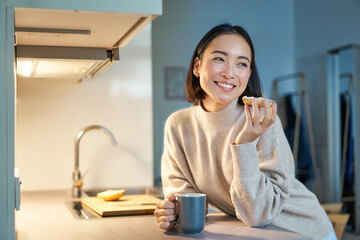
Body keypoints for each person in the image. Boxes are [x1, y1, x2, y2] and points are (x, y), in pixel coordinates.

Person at [154, 24, 336, 240]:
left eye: (241, 64)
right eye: (219, 59)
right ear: (197, 66)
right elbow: (185, 198)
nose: (229, 73)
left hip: (301, 231)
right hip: (252, 234)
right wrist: (174, 212)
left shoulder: (262, 121)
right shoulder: (178, 125)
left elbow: (257, 213)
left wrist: (245, 144)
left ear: (248, 74)